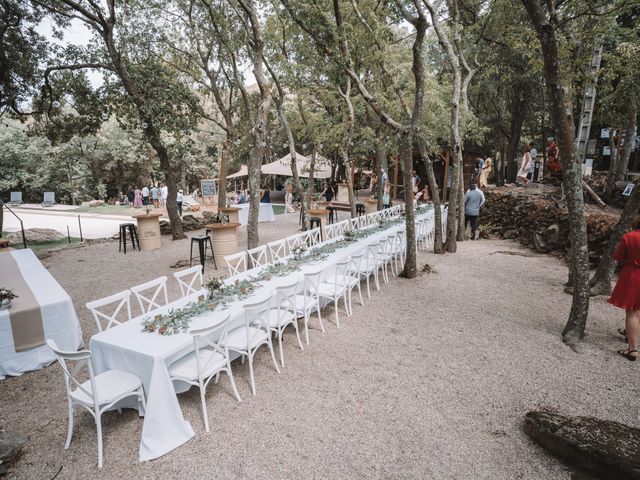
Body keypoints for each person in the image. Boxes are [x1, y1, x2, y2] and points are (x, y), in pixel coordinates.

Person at [609, 222, 640, 361]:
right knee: (637, 308)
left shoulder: (630, 236)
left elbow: (618, 256)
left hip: (633, 275)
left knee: (632, 312)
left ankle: (632, 349)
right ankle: (629, 332)